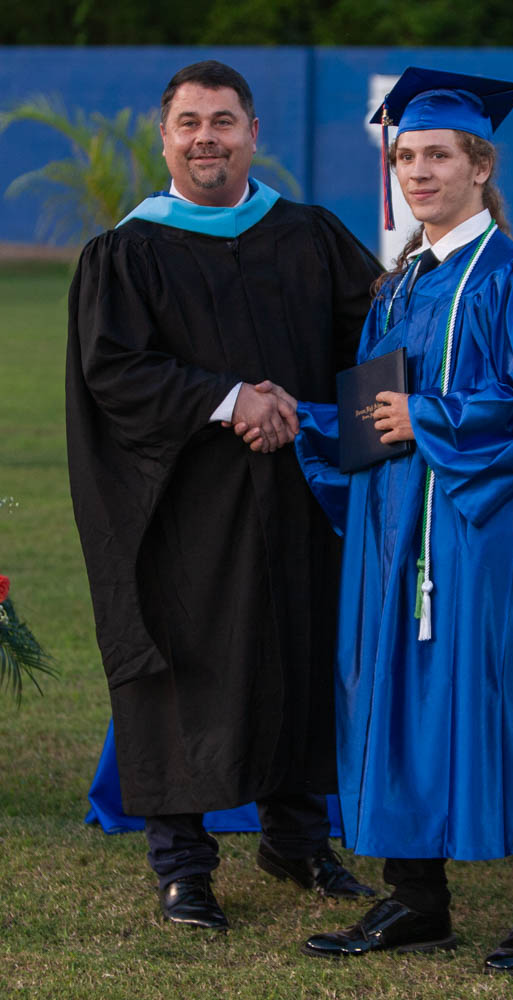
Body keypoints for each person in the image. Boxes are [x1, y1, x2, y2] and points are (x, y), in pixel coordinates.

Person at [274, 67, 513, 974]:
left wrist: (434, 420)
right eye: (405, 156)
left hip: (479, 535)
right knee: (394, 698)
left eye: (438, 156)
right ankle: (416, 900)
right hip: (393, 534)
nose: (417, 171)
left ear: (479, 166)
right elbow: (378, 412)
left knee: (507, 696)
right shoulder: (397, 286)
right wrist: (307, 418)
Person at [66, 60, 381, 932]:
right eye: (190, 123)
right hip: (183, 505)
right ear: (165, 136)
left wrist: (332, 422)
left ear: (252, 133)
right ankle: (183, 865)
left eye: (224, 121)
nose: (207, 138)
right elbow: (113, 371)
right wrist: (231, 398)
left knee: (298, 648)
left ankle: (297, 841)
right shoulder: (129, 252)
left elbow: (371, 341)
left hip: (296, 494)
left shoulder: (309, 235)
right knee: (183, 660)